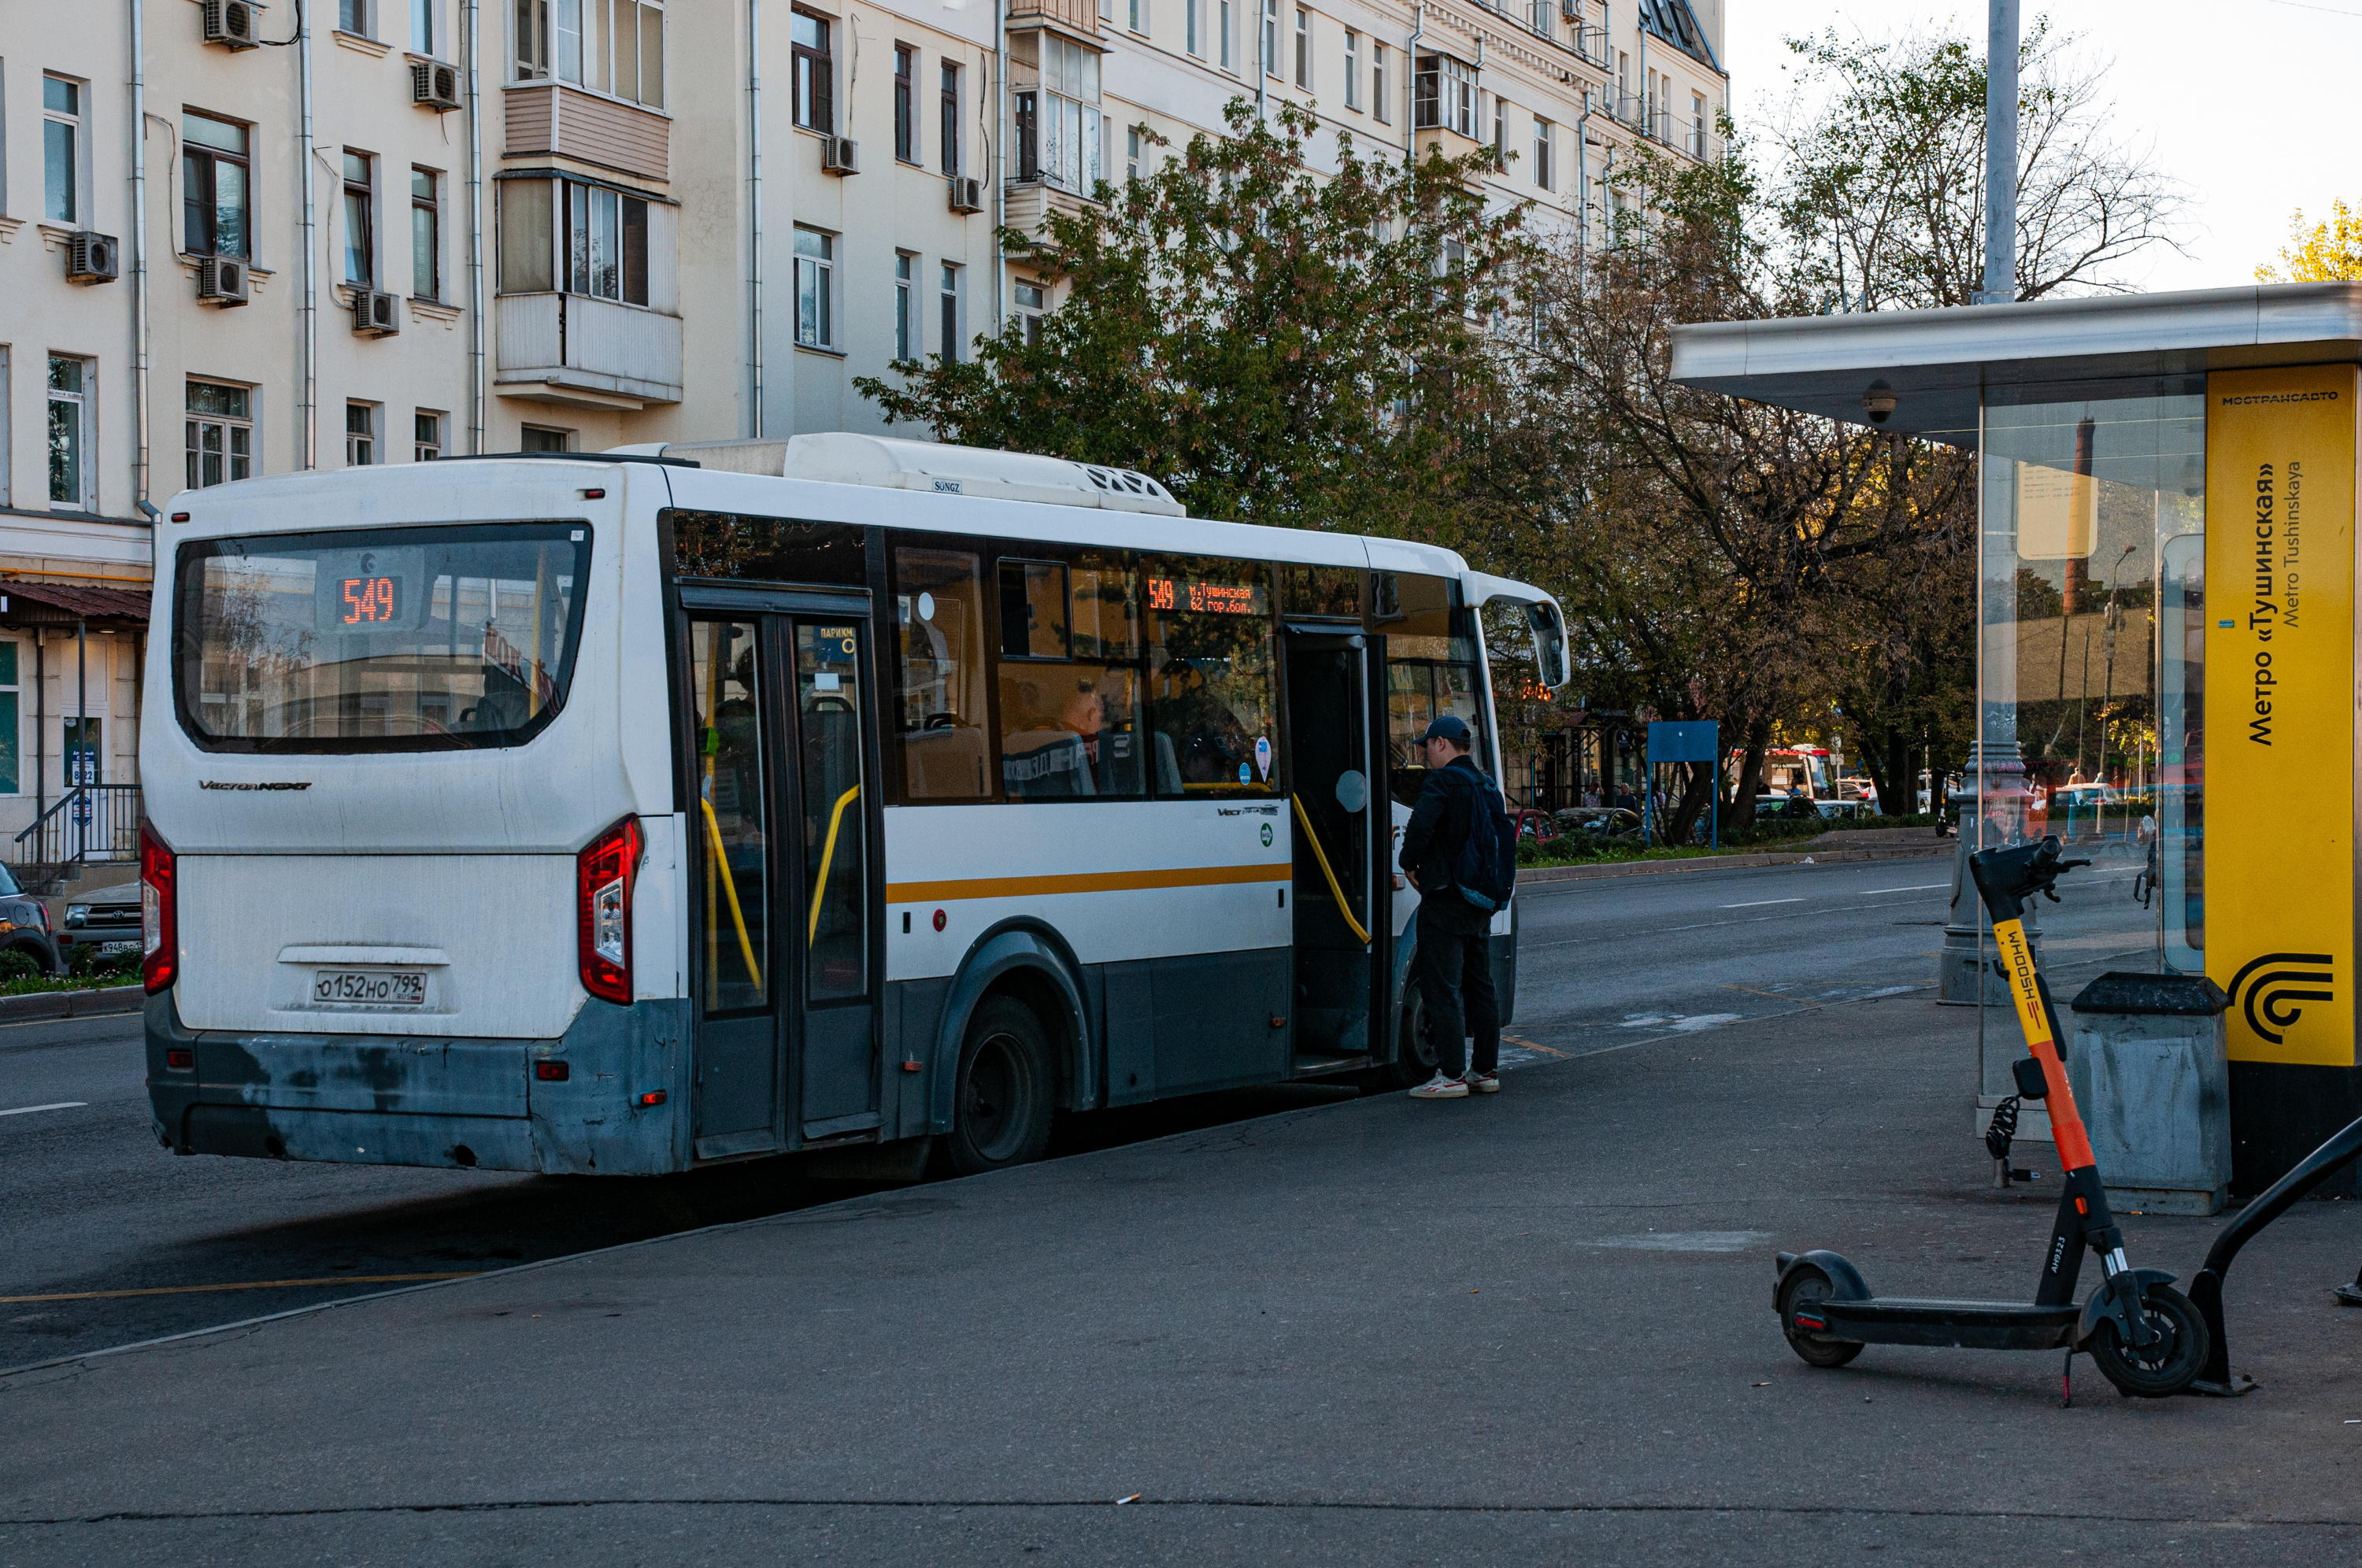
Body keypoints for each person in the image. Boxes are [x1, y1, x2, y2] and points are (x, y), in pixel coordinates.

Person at [1398, 715, 1503, 1100]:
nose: (1425, 755)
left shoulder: (1442, 782)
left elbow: (1421, 826)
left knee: (1442, 987)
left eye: (1427, 746)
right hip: (1479, 900)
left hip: (1444, 898)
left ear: (1442, 744)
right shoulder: (1486, 784)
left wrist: (1408, 863)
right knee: (1480, 985)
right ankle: (1485, 1071)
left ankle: (1452, 1075)